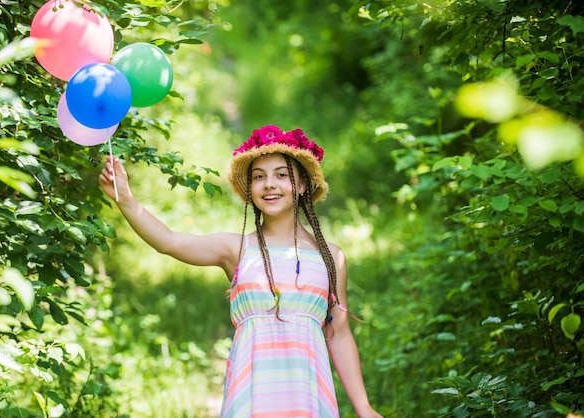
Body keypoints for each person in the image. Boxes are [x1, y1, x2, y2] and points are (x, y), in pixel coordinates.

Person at [99, 125, 383, 418]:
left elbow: (338, 333)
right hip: (251, 397)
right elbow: (170, 242)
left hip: (308, 397)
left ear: (301, 185)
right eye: (259, 177)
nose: (269, 184)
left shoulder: (330, 257)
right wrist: (126, 200)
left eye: (281, 175)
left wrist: (363, 406)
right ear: (250, 189)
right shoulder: (237, 249)